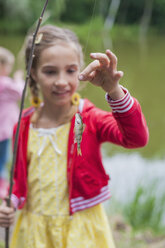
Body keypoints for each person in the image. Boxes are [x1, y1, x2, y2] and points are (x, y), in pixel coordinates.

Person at [0, 25, 148, 248]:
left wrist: (114, 90)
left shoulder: (89, 118)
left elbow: (136, 138)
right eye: (50, 71)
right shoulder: (22, 124)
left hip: (81, 231)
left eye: (70, 70)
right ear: (32, 72)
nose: (62, 81)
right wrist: (10, 203)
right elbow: (20, 181)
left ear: (81, 70)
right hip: (33, 231)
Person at [0, 47, 24, 199]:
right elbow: (21, 92)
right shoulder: (5, 83)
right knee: (3, 158)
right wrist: (19, 78)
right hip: (4, 130)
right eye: (8, 66)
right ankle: (2, 186)